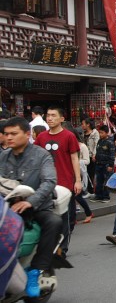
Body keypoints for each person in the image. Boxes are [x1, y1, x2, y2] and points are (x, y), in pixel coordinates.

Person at [0, 117, 62, 298]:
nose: (9, 137)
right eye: (6, 134)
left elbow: (49, 181)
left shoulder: (41, 155)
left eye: (14, 133)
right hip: (7, 207)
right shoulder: (2, 156)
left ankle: (35, 270)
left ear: (27, 134)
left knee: (53, 221)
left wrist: (30, 201)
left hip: (36, 207)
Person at [34, 106, 81, 257]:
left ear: (62, 119)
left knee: (64, 218)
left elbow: (75, 158)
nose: (50, 118)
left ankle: (62, 248)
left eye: (54, 115)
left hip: (65, 183)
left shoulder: (69, 136)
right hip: (46, 184)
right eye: (48, 115)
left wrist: (78, 180)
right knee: (46, 217)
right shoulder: (41, 137)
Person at [62, 122, 93, 223]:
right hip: (67, 172)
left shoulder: (82, 146)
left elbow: (87, 161)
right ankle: (74, 217)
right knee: (72, 197)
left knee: (76, 196)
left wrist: (76, 162)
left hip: (77, 172)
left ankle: (84, 214)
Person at [90, 125, 115, 203]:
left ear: (107, 133)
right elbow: (98, 151)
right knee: (99, 180)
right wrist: (95, 157)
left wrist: (110, 165)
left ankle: (106, 196)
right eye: (99, 133)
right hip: (99, 164)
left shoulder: (110, 142)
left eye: (102, 133)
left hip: (106, 165)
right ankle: (99, 195)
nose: (100, 134)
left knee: (106, 181)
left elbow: (112, 155)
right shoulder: (100, 141)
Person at [81, 118, 99, 197]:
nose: (82, 125)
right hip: (85, 156)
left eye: (83, 124)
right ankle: (87, 190)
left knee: (91, 173)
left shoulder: (95, 133)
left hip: (92, 156)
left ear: (88, 124)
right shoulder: (83, 133)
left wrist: (94, 154)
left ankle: (91, 191)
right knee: (85, 173)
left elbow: (96, 144)